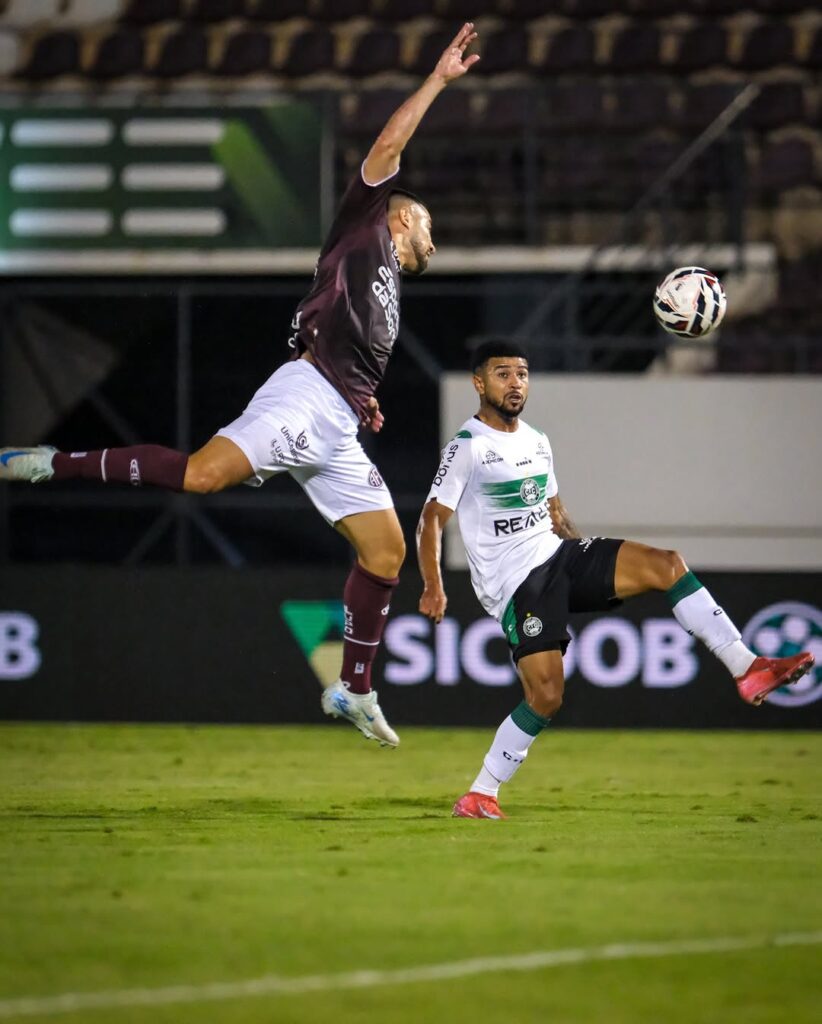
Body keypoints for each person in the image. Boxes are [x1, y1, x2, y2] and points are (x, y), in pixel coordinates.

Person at [0, 23, 482, 750]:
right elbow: (388, 145)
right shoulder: (365, 228)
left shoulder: (382, 284)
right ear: (403, 215)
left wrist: (364, 394)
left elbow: (340, 334)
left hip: (338, 420)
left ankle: (352, 690)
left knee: (386, 555)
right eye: (430, 230)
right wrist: (438, 81)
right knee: (200, 477)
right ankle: (46, 461)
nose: (433, 244)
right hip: (303, 399)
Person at [417, 340, 815, 818]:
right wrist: (433, 585)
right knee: (545, 697)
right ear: (478, 383)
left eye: (522, 373)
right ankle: (481, 793)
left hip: (557, 556)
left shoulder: (537, 440)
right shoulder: (468, 447)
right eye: (503, 374)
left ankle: (747, 667)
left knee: (667, 564)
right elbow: (431, 520)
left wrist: (588, 561)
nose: (516, 383)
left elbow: (555, 512)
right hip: (519, 585)